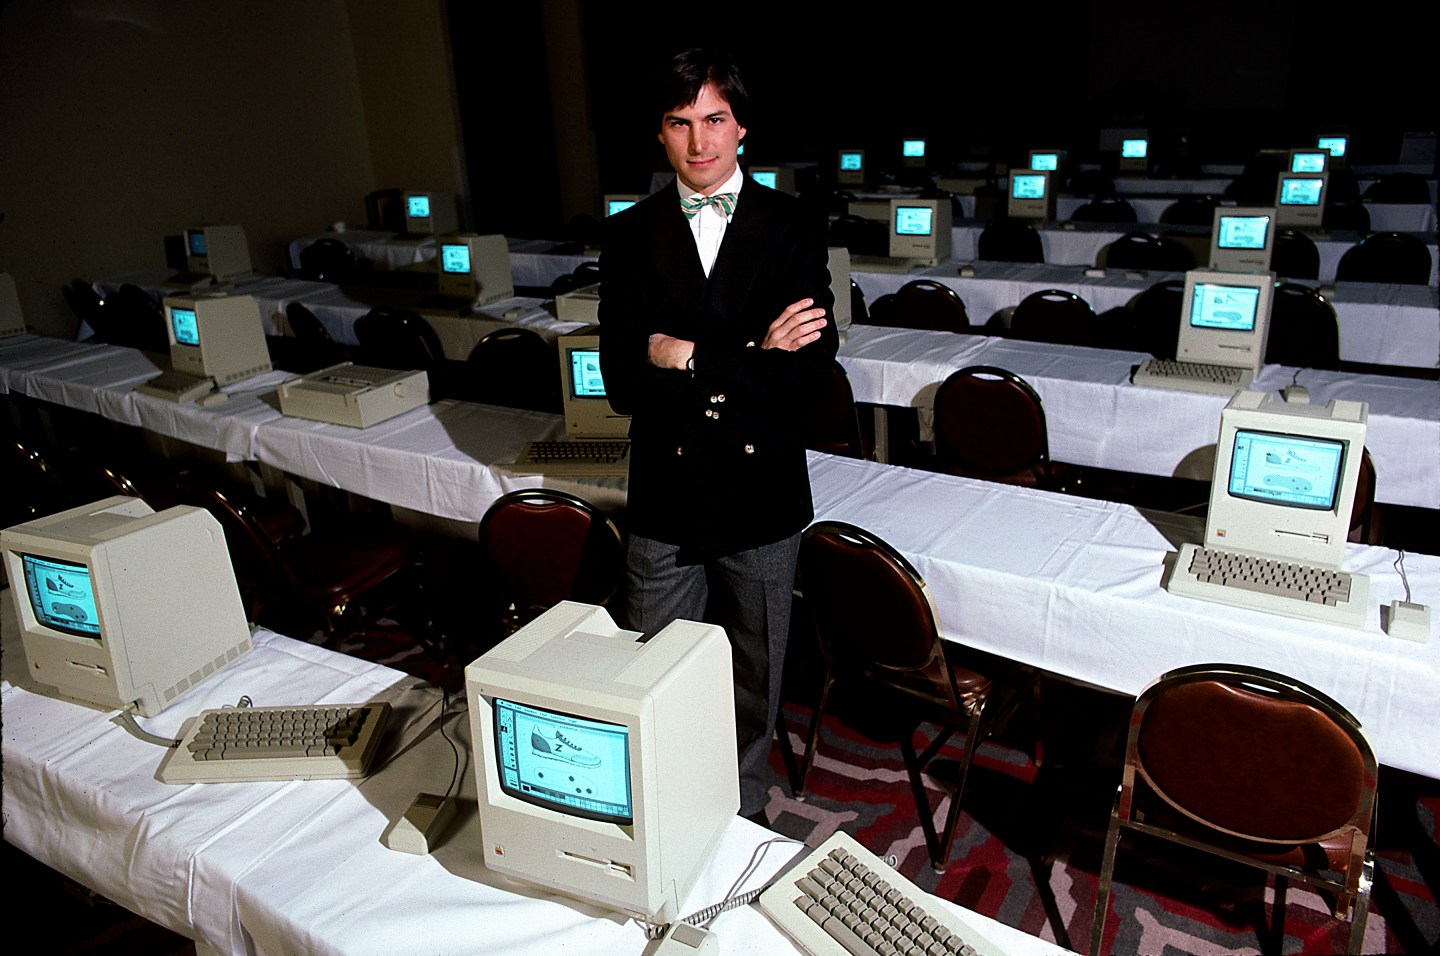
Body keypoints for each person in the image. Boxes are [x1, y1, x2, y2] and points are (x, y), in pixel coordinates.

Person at [598, 48, 838, 821]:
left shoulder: (792, 224)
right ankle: (664, 809)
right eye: (680, 123)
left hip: (760, 493)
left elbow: (806, 372)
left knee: (754, 675)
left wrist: (688, 354)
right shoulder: (629, 234)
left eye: (714, 120)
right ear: (659, 135)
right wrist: (752, 358)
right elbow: (621, 383)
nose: (700, 143)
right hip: (665, 494)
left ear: (742, 130)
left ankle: (740, 808)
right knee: (652, 666)